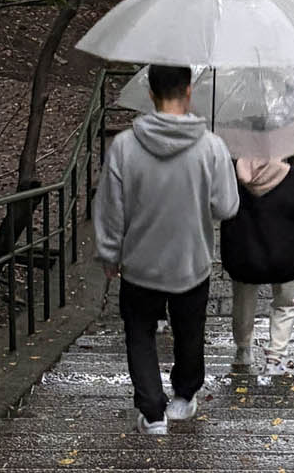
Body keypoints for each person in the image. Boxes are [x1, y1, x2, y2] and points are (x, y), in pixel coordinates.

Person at [92, 62, 239, 434]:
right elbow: (226, 207)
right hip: (191, 260)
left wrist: (110, 253)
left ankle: (152, 412)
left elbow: (111, 207)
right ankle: (183, 397)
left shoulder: (125, 145)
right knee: (190, 329)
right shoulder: (211, 146)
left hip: (140, 262)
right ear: (189, 91)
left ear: (151, 93)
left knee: (139, 331)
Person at [221, 154, 294, 375]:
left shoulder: (232, 172)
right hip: (285, 253)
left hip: (243, 251)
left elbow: (221, 205)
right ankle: (275, 358)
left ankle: (243, 350)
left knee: (243, 301)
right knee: (286, 302)